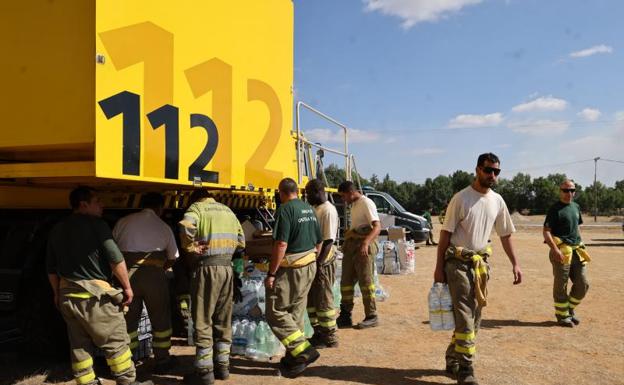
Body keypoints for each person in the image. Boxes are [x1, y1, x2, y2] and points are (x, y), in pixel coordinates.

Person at [46, 186, 153, 385]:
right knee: (115, 343)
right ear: (83, 204)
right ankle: (127, 382)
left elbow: (51, 269)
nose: (102, 205)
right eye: (97, 201)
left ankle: (86, 382)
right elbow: (116, 259)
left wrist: (56, 294)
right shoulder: (98, 225)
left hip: (67, 299)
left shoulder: (57, 229)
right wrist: (127, 287)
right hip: (95, 300)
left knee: (79, 346)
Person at [433, 153, 522, 385]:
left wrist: (516, 263)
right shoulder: (461, 198)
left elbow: (505, 234)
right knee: (464, 314)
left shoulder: (497, 200)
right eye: (488, 170)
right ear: (477, 170)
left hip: (480, 265)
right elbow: (445, 235)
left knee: (475, 316)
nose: (492, 175)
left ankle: (453, 358)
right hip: (457, 263)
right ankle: (466, 367)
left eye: (496, 171)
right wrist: (438, 268)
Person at [179, 189, 245, 385]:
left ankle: (204, 372)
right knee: (223, 319)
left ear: (195, 198)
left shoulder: (197, 208)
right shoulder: (227, 210)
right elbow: (241, 241)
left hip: (207, 268)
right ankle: (223, 367)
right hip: (227, 269)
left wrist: (190, 248)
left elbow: (185, 226)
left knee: (202, 318)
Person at [112, 192, 179, 372]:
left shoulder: (123, 222)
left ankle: (127, 361)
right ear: (160, 208)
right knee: (160, 319)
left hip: (127, 276)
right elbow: (173, 257)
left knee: (128, 320)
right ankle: (162, 360)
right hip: (155, 277)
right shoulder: (163, 226)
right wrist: (160, 268)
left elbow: (113, 252)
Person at [265, 177, 322, 377]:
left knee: (275, 311)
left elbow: (281, 244)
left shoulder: (285, 210)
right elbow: (319, 242)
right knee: (296, 311)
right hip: (310, 264)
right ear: (296, 191)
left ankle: (303, 350)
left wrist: (272, 273)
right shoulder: (309, 209)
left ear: (281, 193)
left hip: (292, 269)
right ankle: (294, 358)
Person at [543, 179, 590, 327]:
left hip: (576, 251)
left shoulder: (576, 207)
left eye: (571, 190)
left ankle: (568, 309)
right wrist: (555, 250)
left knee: (583, 284)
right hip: (561, 252)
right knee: (561, 286)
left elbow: (577, 227)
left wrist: (581, 243)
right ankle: (562, 316)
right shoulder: (554, 209)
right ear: (560, 191)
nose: (568, 193)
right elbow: (546, 232)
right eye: (565, 190)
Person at [336, 181, 381, 329]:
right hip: (352, 246)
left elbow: (377, 227)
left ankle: (372, 316)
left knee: (366, 282)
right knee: (346, 283)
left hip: (363, 247)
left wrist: (366, 243)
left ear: (351, 192)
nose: (343, 200)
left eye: (344, 196)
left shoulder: (366, 203)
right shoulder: (354, 205)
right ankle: (345, 316)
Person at [305, 179, 340, 348]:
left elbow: (328, 241)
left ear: (318, 192)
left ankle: (330, 337)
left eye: (308, 194)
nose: (307, 197)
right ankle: (318, 332)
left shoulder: (328, 211)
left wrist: (318, 265)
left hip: (323, 263)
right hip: (313, 261)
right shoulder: (315, 209)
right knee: (311, 301)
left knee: (324, 300)